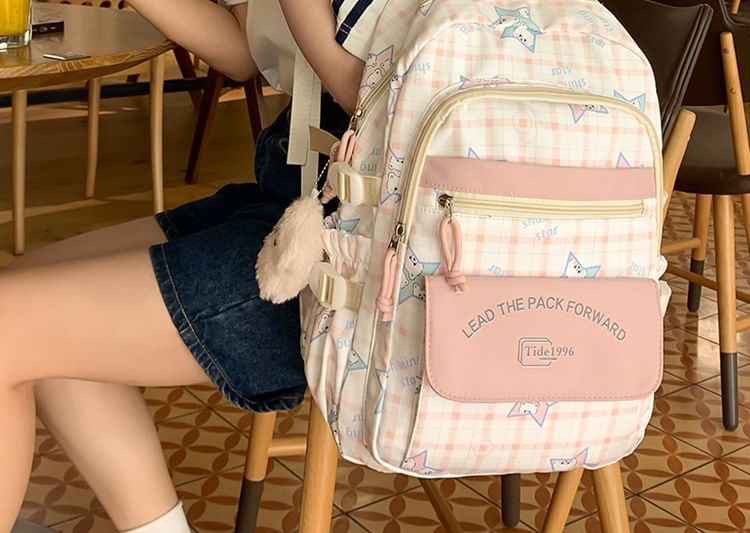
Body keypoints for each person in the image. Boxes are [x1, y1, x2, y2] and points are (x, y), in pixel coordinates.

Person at [0, 1, 387, 531]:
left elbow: (370, 95)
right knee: (28, 294)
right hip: (286, 199)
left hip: (353, 254)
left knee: (10, 326)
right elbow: (242, 49)